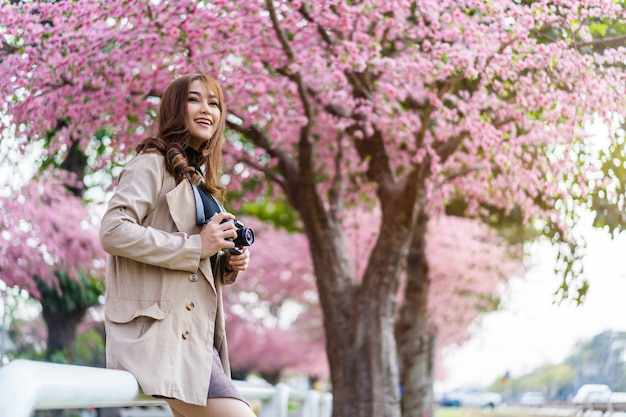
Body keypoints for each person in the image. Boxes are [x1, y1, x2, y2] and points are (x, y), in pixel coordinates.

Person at [99, 73, 255, 417]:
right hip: (158, 338)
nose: (207, 110)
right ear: (175, 108)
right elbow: (113, 230)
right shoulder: (149, 165)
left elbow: (194, 261)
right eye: (195, 99)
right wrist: (197, 247)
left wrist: (224, 263)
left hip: (196, 342)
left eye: (214, 103)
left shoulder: (199, 183)